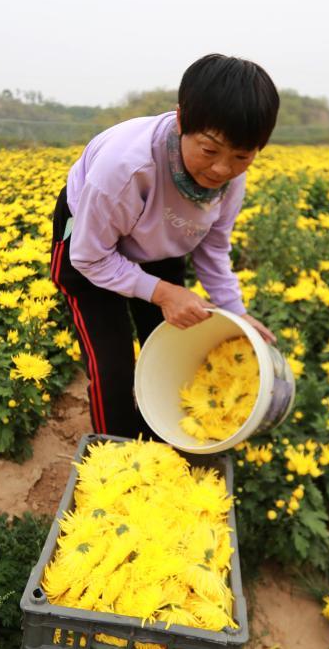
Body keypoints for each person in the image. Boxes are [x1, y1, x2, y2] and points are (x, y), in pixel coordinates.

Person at [49, 54, 279, 439]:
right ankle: (118, 452)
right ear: (180, 120)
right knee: (114, 365)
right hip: (91, 247)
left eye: (241, 156)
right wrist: (161, 291)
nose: (222, 169)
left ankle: (168, 436)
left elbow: (212, 250)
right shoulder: (124, 168)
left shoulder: (229, 178)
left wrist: (236, 315)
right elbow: (89, 257)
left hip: (159, 246)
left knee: (174, 347)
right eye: (209, 150)